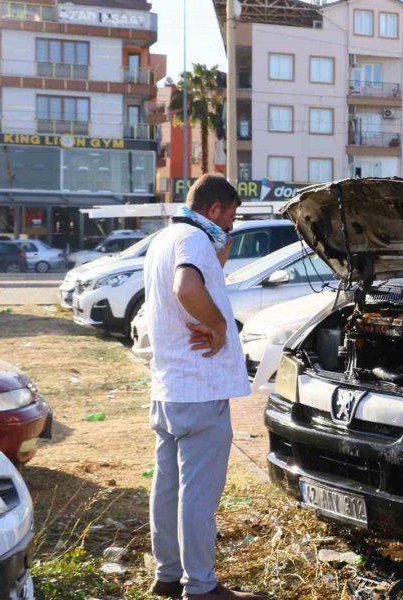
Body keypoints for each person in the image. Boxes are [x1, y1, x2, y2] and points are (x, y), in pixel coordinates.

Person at [143, 174, 259, 599]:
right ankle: (202, 587)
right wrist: (216, 325)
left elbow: (198, 279)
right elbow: (187, 286)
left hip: (169, 388)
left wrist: (220, 250)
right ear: (213, 210)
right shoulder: (192, 240)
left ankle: (169, 575)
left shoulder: (166, 239)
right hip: (199, 388)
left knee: (167, 488)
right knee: (198, 496)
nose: (232, 225)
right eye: (231, 215)